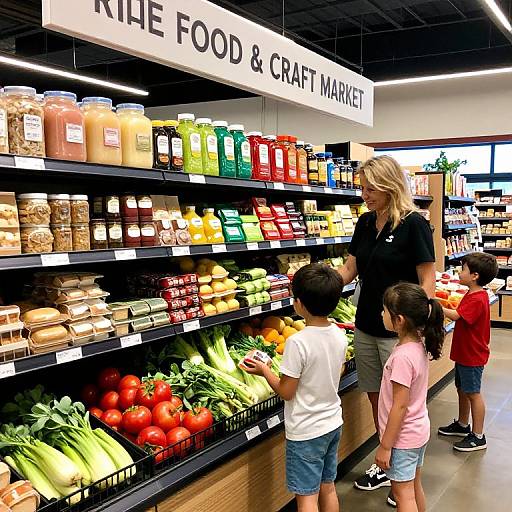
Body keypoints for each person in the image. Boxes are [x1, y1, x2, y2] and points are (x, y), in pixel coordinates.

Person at [339, 156, 436, 497]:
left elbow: (427, 280)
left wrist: (415, 328)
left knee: (401, 402)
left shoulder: (414, 225)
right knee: (375, 398)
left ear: (391, 186)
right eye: (362, 188)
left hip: (399, 329)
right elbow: (350, 268)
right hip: (366, 322)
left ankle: (401, 468)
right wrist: (318, 285)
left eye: (371, 188)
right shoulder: (365, 222)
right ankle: (388, 461)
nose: (364, 195)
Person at [243, 263, 347, 512]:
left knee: (307, 498)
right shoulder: (339, 334)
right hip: (333, 423)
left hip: (306, 431)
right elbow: (337, 370)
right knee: (328, 486)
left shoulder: (297, 342)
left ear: (298, 303)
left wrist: (264, 370)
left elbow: (287, 391)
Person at [375, 282, 445, 512]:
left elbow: (399, 406)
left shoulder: (402, 358)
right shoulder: (418, 345)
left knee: (402, 495)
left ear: (399, 320)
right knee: (414, 488)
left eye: (385, 311)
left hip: (402, 439)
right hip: (418, 432)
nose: (381, 314)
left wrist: (385, 445)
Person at [438, 252, 498, 451]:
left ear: (475, 276)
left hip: (472, 355)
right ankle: (463, 425)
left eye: (463, 269)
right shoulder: (472, 294)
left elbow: (455, 315)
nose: (459, 272)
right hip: (465, 352)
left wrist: (434, 304)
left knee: (473, 393)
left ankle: (478, 436)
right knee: (462, 389)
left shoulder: (477, 298)